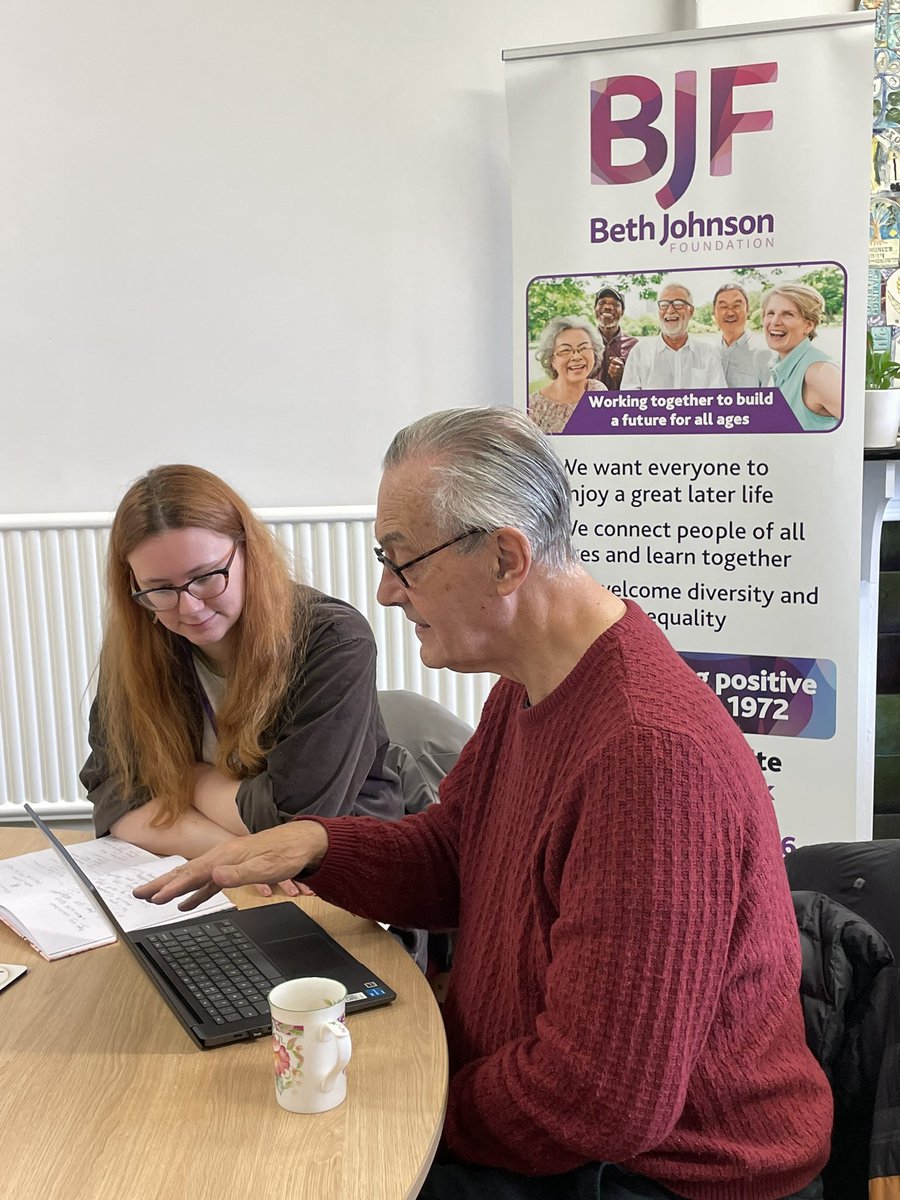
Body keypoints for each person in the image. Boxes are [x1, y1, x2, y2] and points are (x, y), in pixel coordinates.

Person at [138, 410, 831, 1200]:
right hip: (557, 1121)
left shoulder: (649, 757)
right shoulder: (537, 682)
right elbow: (453, 860)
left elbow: (600, 1099)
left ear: (506, 558)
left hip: (662, 1174)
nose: (386, 591)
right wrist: (317, 844)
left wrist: (403, 1102)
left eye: (402, 561)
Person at [80, 464, 405, 893]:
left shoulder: (332, 640)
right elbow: (111, 793)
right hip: (240, 879)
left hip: (343, 881)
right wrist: (230, 857)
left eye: (207, 577)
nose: (189, 607)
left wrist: (189, 780)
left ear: (249, 551)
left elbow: (295, 822)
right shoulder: (143, 643)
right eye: (159, 589)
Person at [761, 283, 841, 430]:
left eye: (788, 314)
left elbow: (862, 429)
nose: (774, 322)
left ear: (809, 325)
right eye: (770, 313)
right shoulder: (777, 367)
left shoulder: (819, 372)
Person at [620, 282, 727, 390]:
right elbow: (629, 401)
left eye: (678, 304)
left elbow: (719, 399)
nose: (670, 310)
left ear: (691, 311)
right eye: (664, 305)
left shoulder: (708, 353)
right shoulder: (640, 352)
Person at [528, 315, 606, 433]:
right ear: (551, 359)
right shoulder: (534, 407)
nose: (576, 357)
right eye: (565, 350)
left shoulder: (598, 390)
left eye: (584, 348)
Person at [712, 283, 772, 387]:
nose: (730, 312)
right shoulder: (709, 353)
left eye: (736, 306)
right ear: (714, 312)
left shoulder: (765, 354)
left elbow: (772, 400)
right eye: (723, 306)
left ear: (747, 309)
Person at [592, 285, 638, 389]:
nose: (608, 307)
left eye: (614, 304)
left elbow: (641, 383)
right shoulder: (584, 342)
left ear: (622, 312)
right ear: (595, 309)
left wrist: (623, 375)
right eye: (602, 303)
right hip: (588, 403)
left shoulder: (635, 346)